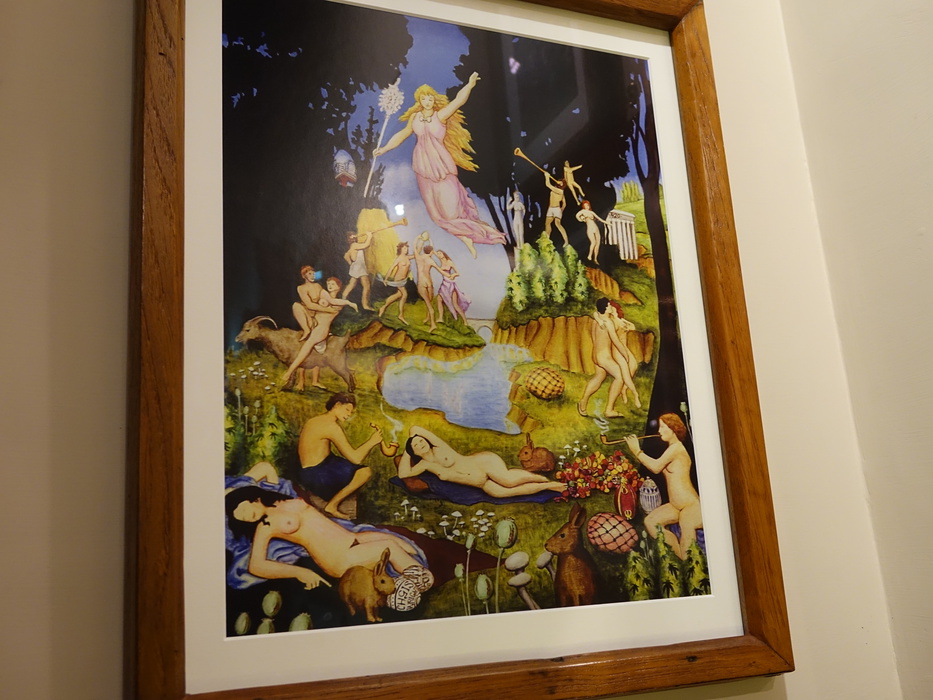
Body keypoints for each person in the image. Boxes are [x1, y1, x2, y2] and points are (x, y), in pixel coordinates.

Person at [225, 464, 431, 593]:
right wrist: (300, 572)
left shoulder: (279, 496)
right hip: (338, 558)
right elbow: (256, 566)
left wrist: (228, 490)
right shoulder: (265, 526)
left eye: (242, 510)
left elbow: (265, 467)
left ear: (249, 498)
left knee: (400, 543)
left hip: (351, 539)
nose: (246, 516)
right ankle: (413, 588)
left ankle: (410, 583)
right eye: (241, 518)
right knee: (390, 548)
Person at [373, 73, 506, 257]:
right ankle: (464, 238)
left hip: (442, 167)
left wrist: (470, 85)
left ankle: (472, 234)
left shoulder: (440, 115)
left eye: (430, 98)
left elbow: (458, 101)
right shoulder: (415, 118)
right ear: (419, 100)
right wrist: (385, 148)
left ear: (434, 99)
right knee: (436, 215)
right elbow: (402, 134)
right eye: (423, 98)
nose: (427, 101)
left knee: (452, 212)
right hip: (423, 168)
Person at [296, 392, 396, 518]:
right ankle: (332, 505)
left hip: (313, 468)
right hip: (315, 474)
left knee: (347, 466)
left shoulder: (315, 420)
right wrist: (372, 442)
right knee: (364, 472)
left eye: (351, 412)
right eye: (347, 410)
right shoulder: (331, 426)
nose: (349, 415)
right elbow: (356, 458)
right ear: (337, 405)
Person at [397, 425, 564, 499]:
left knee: (508, 480)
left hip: (482, 463)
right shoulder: (425, 465)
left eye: (421, 441)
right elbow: (403, 473)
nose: (421, 444)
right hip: (480, 483)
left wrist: (411, 439)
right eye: (417, 446)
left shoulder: (439, 447)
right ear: (414, 452)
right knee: (503, 493)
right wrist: (408, 450)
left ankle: (543, 479)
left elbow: (415, 429)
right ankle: (547, 486)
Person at [624, 413, 701, 559]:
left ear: (673, 429)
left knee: (687, 528)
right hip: (676, 505)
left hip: (690, 505)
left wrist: (636, 451)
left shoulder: (676, 448)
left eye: (663, 427)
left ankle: (687, 563)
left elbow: (655, 467)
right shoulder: (671, 448)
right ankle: (677, 556)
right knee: (651, 522)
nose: (659, 431)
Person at [281, 267, 351, 387]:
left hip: (320, 328)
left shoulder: (334, 300)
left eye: (333, 284)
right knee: (296, 307)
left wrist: (348, 303)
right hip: (312, 323)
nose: (329, 286)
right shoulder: (318, 292)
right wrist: (318, 313)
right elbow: (310, 305)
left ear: (339, 287)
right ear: (304, 275)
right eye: (328, 284)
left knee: (309, 351)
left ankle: (292, 373)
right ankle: (301, 382)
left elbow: (332, 304)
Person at [578, 298, 640, 418]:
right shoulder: (608, 322)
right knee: (620, 377)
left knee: (599, 377)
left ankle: (583, 402)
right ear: (605, 309)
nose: (611, 307)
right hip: (603, 357)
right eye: (609, 305)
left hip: (596, 355)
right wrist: (625, 355)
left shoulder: (597, 320)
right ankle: (609, 410)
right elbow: (615, 340)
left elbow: (595, 335)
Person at [379, 241, 414, 324]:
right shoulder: (399, 259)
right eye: (404, 248)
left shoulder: (407, 257)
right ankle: (401, 315)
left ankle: (383, 307)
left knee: (398, 295)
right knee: (404, 294)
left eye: (407, 248)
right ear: (400, 249)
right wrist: (386, 279)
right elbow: (391, 268)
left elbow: (416, 255)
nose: (406, 249)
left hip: (404, 280)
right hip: (398, 279)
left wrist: (418, 243)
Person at [414, 232, 441, 332]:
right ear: (430, 252)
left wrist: (418, 238)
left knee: (429, 305)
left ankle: (433, 324)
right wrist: (429, 240)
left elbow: (414, 246)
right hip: (429, 282)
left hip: (422, 283)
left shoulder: (418, 257)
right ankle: (428, 318)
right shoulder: (430, 259)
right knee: (429, 302)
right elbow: (432, 249)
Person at [434, 249, 470, 324]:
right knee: (439, 299)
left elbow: (457, 273)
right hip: (444, 284)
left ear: (443, 254)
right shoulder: (441, 261)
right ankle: (440, 318)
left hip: (450, 285)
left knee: (455, 304)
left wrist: (453, 275)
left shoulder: (449, 262)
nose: (439, 255)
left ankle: (465, 321)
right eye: (438, 254)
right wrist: (430, 244)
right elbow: (433, 252)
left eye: (440, 253)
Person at [342, 231, 374, 311]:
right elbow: (366, 245)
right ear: (349, 239)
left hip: (357, 267)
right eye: (352, 236)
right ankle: (365, 305)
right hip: (359, 267)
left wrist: (351, 264)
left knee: (351, 284)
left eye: (354, 236)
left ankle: (343, 300)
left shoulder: (352, 246)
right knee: (366, 286)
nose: (354, 237)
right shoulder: (355, 245)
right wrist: (369, 236)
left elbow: (346, 256)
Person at [543, 174, 569, 246]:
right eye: (560, 181)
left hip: (556, 209)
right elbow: (564, 203)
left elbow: (548, 184)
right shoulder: (555, 189)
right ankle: (547, 239)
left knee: (557, 224)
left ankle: (566, 241)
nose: (560, 183)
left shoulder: (561, 191)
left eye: (562, 183)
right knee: (547, 224)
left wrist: (546, 176)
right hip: (550, 208)